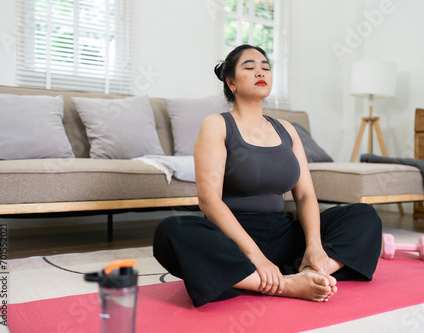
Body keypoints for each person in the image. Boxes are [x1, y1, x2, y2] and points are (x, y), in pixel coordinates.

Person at [153, 44, 382, 308]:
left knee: (363, 216)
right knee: (169, 232)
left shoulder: (287, 129)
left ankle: (312, 271)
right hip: (233, 239)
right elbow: (209, 201)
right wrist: (258, 258)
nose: (260, 72)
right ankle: (286, 284)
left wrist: (315, 246)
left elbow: (306, 195)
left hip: (284, 233)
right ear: (231, 82)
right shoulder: (217, 124)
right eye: (249, 68)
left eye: (265, 67)